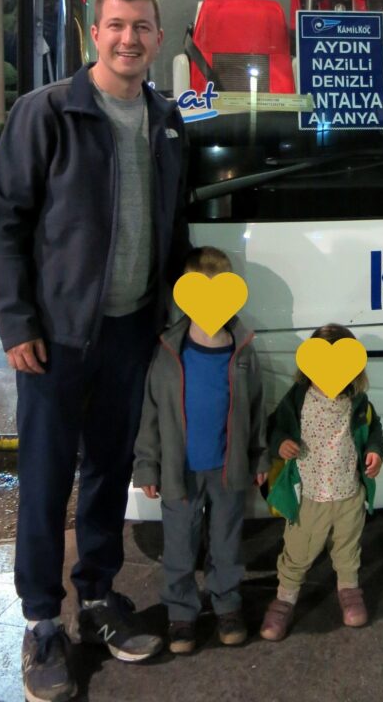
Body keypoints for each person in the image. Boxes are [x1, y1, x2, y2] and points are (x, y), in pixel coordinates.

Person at [0, 0, 190, 702]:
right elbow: (5, 224)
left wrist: (169, 311)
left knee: (108, 470)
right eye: (115, 26)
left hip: (131, 330)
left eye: (141, 27)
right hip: (57, 338)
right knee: (45, 482)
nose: (128, 38)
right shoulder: (49, 113)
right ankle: (42, 623)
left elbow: (176, 225)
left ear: (159, 40)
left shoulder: (166, 122)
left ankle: (98, 597)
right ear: (91, 35)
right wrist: (16, 323)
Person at [133, 246, 269, 655]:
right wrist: (147, 466)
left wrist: (260, 457)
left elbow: (257, 407)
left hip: (228, 472)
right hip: (180, 473)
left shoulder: (242, 350)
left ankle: (227, 604)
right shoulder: (171, 352)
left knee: (226, 544)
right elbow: (151, 413)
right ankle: (181, 615)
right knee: (179, 547)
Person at [259, 323, 383, 642]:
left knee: (347, 547)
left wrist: (374, 451)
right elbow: (275, 428)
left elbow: (374, 430)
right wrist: (281, 443)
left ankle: (349, 589)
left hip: (349, 493)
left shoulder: (357, 401)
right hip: (310, 496)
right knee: (298, 550)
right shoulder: (298, 399)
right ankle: (285, 598)